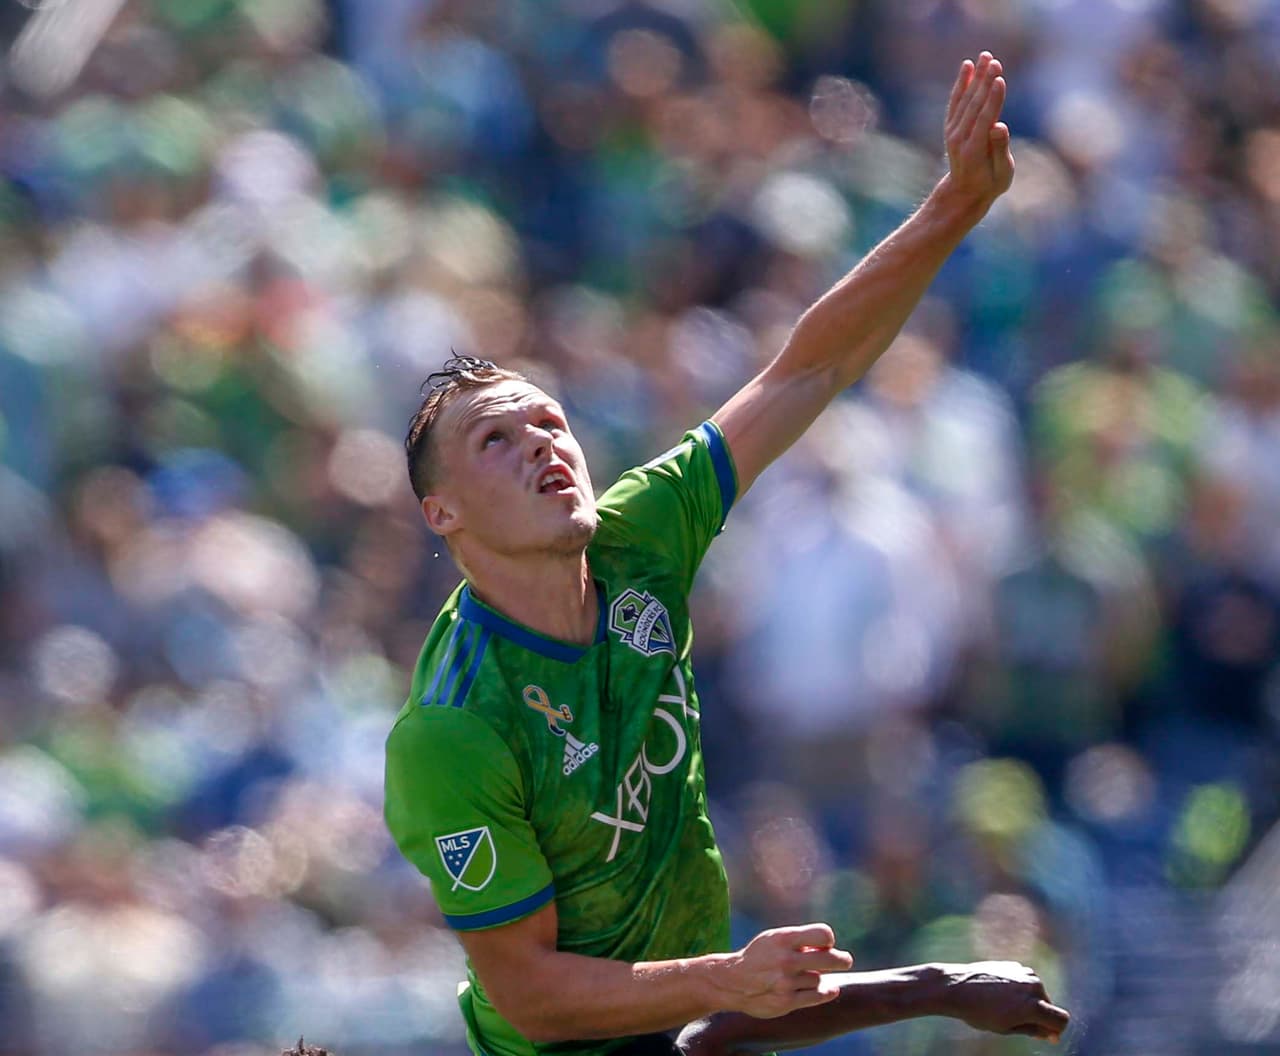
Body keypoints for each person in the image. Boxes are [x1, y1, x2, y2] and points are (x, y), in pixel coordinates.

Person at [383, 53, 1070, 1056]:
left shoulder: (639, 534)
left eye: (548, 420)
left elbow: (810, 367)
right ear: (440, 515)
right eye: (496, 437)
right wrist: (785, 982)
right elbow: (536, 1002)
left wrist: (955, 206)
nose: (541, 440)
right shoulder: (452, 730)